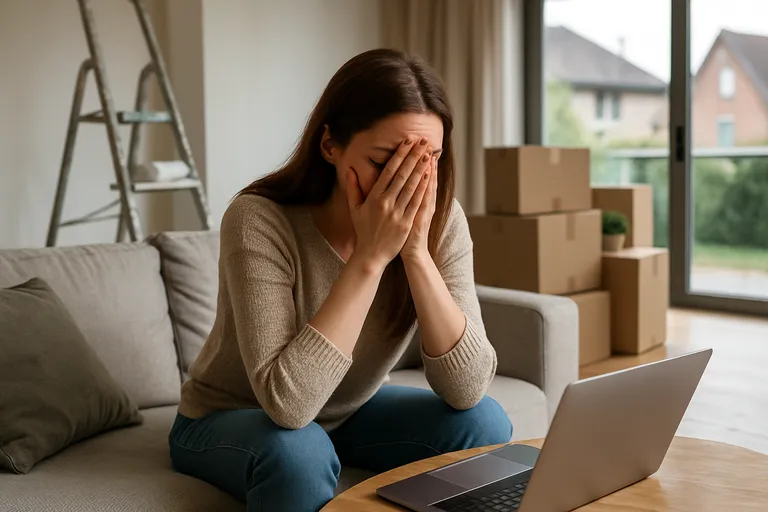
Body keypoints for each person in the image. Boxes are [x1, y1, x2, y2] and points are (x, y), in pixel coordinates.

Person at [168, 48, 512, 512]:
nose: (404, 183)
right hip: (232, 415)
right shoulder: (258, 220)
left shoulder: (442, 219)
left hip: (348, 411)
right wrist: (370, 259)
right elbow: (287, 407)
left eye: (424, 160)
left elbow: (468, 388)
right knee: (300, 452)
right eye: (386, 160)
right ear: (330, 145)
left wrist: (413, 252)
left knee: (485, 423)